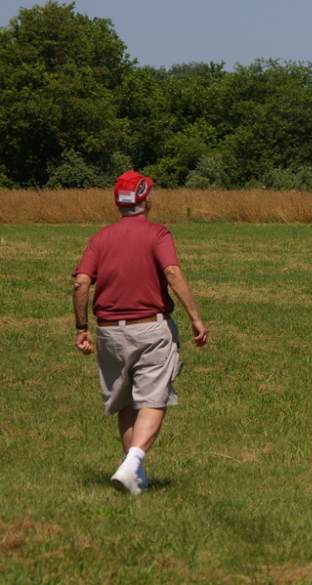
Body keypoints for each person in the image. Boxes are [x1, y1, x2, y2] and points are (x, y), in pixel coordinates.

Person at [72, 171, 209, 495]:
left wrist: (81, 328)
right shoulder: (157, 233)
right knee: (153, 396)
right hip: (151, 328)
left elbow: (81, 282)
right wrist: (195, 317)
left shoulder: (100, 237)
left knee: (125, 403)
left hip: (108, 333)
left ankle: (133, 473)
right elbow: (172, 271)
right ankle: (134, 460)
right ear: (145, 200)